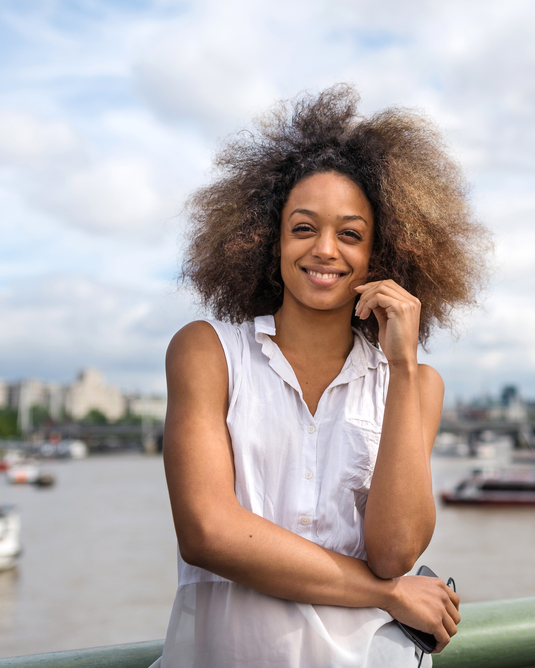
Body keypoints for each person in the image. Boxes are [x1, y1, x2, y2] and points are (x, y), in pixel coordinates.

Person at [153, 85, 489, 667]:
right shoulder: (208, 353)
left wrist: (404, 367)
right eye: (303, 227)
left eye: (351, 233)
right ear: (269, 241)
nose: (325, 250)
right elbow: (208, 532)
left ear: (382, 254)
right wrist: (388, 595)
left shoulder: (417, 385)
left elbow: (395, 550)